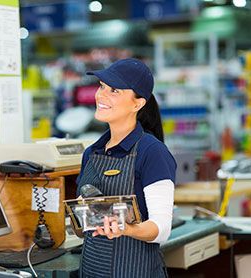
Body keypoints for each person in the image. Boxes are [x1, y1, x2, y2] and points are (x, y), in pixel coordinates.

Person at [76, 58, 176, 277]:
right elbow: (86, 221)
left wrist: (127, 229)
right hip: (92, 270)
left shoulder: (152, 152)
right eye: (102, 86)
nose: (101, 95)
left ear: (137, 104)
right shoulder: (91, 153)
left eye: (114, 90)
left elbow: (161, 229)